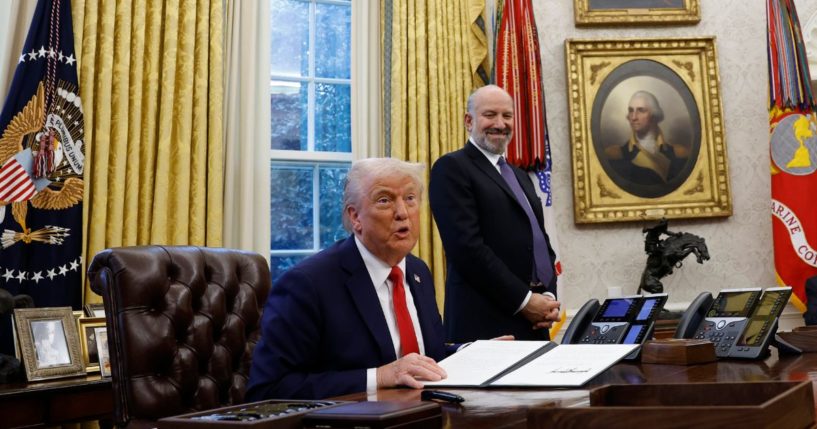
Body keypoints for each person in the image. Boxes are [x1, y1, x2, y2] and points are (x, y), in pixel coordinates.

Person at [246, 158, 448, 400]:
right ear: (355, 218)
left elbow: (426, 355)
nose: (402, 213)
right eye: (384, 200)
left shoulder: (418, 272)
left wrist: (477, 352)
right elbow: (269, 389)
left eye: (410, 198)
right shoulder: (308, 284)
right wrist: (379, 377)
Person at [429, 85, 561, 343]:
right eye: (490, 115)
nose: (500, 124)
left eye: (507, 116)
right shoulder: (452, 168)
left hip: (535, 323)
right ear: (469, 121)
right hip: (486, 326)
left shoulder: (520, 176)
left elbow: (539, 243)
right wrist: (525, 302)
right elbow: (467, 249)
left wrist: (546, 299)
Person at [604, 90, 688, 186]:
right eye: (631, 110)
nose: (633, 117)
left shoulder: (679, 154)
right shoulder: (615, 155)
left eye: (641, 110)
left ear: (654, 115)